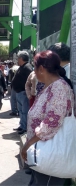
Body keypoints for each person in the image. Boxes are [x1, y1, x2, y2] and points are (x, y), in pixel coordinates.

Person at [20, 50, 74, 185]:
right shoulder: (49, 86)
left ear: (42, 69)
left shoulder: (59, 88)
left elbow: (51, 123)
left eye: (34, 67)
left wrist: (27, 144)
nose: (34, 71)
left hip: (51, 154)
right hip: (42, 152)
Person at [12, 51, 32, 134]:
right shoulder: (21, 67)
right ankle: (22, 125)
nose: (17, 60)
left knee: (24, 111)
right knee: (21, 111)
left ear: (22, 58)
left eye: (18, 58)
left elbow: (30, 81)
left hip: (23, 93)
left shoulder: (27, 67)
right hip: (19, 92)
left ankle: (25, 127)